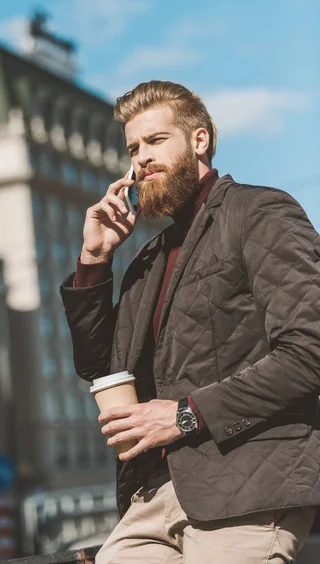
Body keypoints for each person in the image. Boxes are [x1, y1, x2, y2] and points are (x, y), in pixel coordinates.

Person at [60, 81, 320, 563]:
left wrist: (184, 414)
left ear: (199, 141)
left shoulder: (260, 213)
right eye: (134, 148)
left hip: (248, 484)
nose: (142, 158)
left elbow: (309, 353)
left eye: (157, 141)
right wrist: (94, 260)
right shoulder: (147, 257)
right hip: (153, 497)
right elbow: (102, 367)